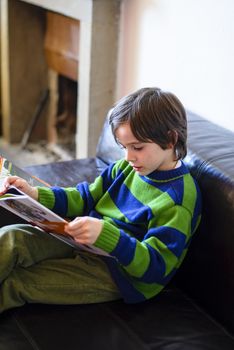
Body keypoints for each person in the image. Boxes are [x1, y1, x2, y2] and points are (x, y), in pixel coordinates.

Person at [0, 87, 202, 312]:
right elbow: (84, 197)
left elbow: (155, 268)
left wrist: (107, 236)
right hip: (85, 241)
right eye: (124, 147)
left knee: (17, 283)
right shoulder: (126, 167)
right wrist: (34, 193)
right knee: (10, 237)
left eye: (137, 147)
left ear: (171, 139)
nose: (128, 156)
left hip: (118, 273)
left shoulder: (178, 199)